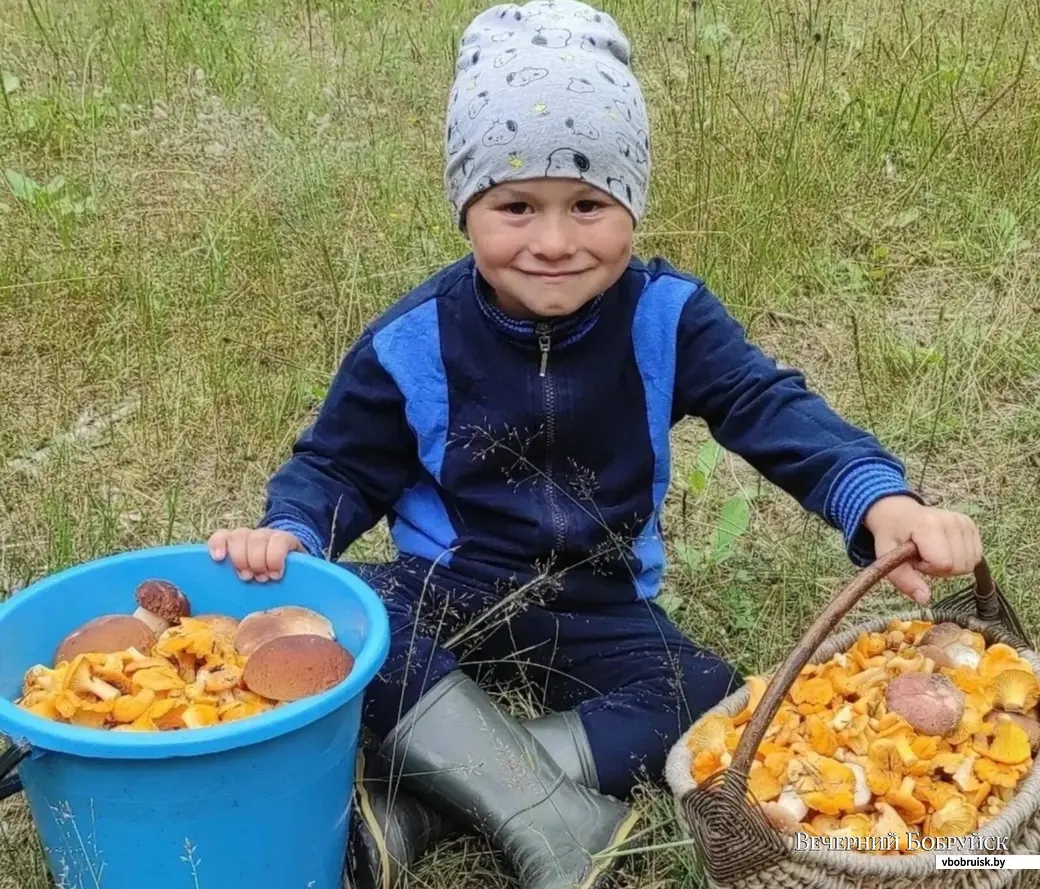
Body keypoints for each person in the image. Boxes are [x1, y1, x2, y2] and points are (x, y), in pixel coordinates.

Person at [208, 2, 983, 887]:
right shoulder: (413, 339)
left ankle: (432, 803)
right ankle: (545, 806)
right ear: (466, 204)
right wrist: (294, 533)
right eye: (514, 206)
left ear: (634, 205)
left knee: (708, 699)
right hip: (446, 589)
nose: (552, 241)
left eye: (588, 203)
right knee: (350, 613)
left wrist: (884, 499)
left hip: (598, 605)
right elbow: (341, 463)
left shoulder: (670, 319)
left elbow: (768, 406)